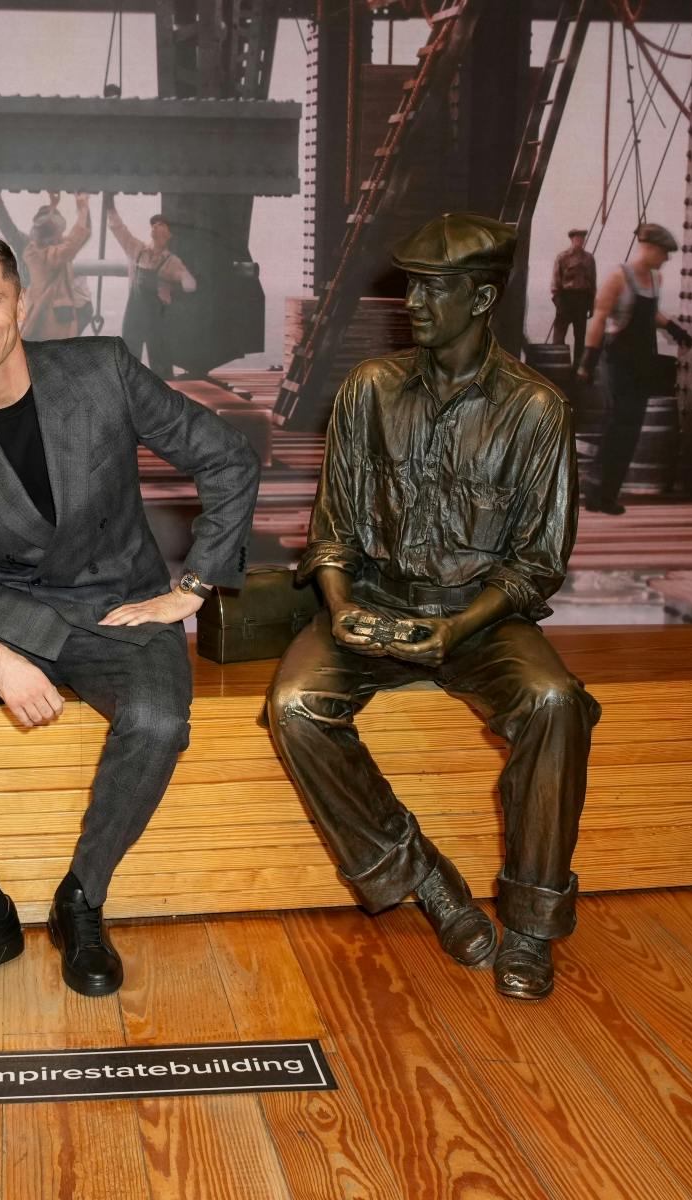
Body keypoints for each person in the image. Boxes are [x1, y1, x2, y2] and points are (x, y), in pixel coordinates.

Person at [0, 232, 259, 1004]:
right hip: (5, 611)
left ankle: (82, 900)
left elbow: (229, 460)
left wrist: (193, 586)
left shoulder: (101, 370)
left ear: (21, 302)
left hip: (121, 607)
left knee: (161, 721)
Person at [266, 213, 600, 1002]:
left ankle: (530, 924)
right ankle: (426, 879)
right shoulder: (368, 391)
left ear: (482, 297)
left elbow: (536, 565)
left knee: (555, 702)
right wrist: (342, 609)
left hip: (482, 618)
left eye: (434, 287)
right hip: (375, 601)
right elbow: (333, 530)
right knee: (294, 705)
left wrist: (458, 627)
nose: (413, 301)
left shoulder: (536, 411)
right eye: (411, 283)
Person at [578, 222, 692, 514]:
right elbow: (600, 319)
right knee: (619, 423)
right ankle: (596, 490)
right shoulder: (618, 278)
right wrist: (588, 362)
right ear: (651, 248)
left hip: (642, 360)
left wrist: (673, 328)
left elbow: (649, 313)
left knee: (630, 429)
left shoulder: (656, 279)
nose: (667, 259)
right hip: (618, 361)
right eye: (665, 253)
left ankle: (606, 494)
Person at [106, 198, 197, 380]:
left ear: (169, 234)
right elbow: (119, 230)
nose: (155, 226)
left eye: (161, 224)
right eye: (153, 224)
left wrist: (175, 285)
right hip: (134, 313)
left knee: (160, 361)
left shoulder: (172, 262)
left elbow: (190, 285)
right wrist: (110, 208)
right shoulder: (137, 250)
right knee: (129, 357)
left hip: (157, 315)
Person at [21, 191, 93, 341]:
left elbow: (83, 235)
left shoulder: (32, 251)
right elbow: (76, 239)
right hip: (54, 322)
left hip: (40, 319)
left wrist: (54, 205)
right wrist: (83, 208)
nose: (62, 235)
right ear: (53, 235)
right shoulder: (50, 255)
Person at [549, 228, 596, 365]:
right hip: (565, 299)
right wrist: (559, 302)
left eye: (582, 239)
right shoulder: (562, 257)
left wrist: (591, 304)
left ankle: (577, 368)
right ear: (572, 239)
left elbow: (592, 282)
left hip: (582, 300)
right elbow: (555, 282)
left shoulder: (589, 259)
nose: (580, 241)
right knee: (559, 337)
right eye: (577, 238)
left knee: (580, 337)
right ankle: (557, 366)